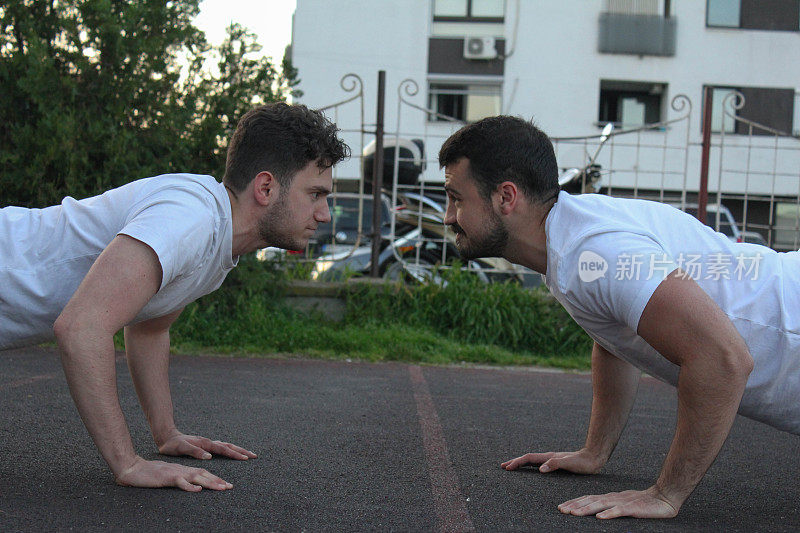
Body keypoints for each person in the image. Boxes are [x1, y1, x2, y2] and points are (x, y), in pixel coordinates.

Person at [438, 115, 800, 519]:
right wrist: (595, 452)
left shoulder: (596, 252)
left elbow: (723, 360)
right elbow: (615, 338)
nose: (448, 217)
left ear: (506, 197)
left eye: (456, 198)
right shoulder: (568, 242)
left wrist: (665, 494)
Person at [0, 102, 349, 492]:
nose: (325, 215)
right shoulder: (191, 218)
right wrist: (128, 464)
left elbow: (150, 328)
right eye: (316, 194)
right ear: (266, 187)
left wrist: (165, 433)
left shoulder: (217, 242)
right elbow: (82, 328)